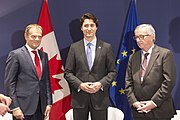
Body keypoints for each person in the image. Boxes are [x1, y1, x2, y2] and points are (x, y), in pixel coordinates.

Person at [64, 13, 116, 120]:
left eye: (92, 25)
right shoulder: (74, 48)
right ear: (81, 28)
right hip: (79, 100)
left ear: (96, 27)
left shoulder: (106, 47)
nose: (89, 29)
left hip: (100, 99)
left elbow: (112, 72)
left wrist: (100, 84)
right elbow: (68, 72)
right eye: (86, 26)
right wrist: (80, 85)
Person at [125, 24, 176, 120]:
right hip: (139, 110)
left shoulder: (164, 54)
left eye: (142, 36)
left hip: (160, 110)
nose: (138, 40)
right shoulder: (133, 57)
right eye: (136, 37)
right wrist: (134, 102)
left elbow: (169, 82)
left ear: (153, 37)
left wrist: (153, 102)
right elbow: (128, 82)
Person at [4, 24, 52, 120]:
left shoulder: (44, 56)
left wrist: (49, 103)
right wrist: (15, 107)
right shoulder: (15, 55)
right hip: (22, 108)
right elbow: (9, 83)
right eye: (33, 36)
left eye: (39, 36)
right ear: (26, 36)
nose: (37, 39)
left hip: (41, 107)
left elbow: (46, 81)